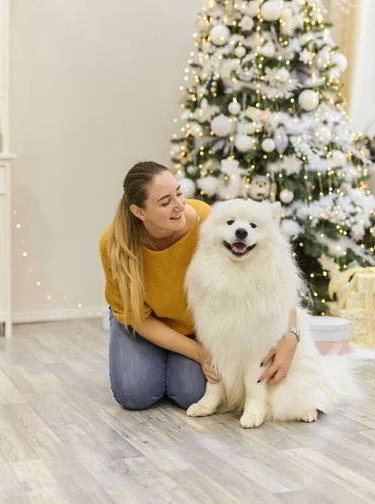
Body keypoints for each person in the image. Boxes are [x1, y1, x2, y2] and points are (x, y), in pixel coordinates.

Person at [99, 161, 299, 411]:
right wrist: (199, 353)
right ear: (140, 212)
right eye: (165, 202)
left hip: (194, 326)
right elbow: (137, 317)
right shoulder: (114, 245)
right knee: (134, 393)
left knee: (190, 393)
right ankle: (154, 359)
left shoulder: (207, 221)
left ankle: (164, 364)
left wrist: (291, 334)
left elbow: (275, 279)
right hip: (143, 321)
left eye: (179, 193)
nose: (180, 205)